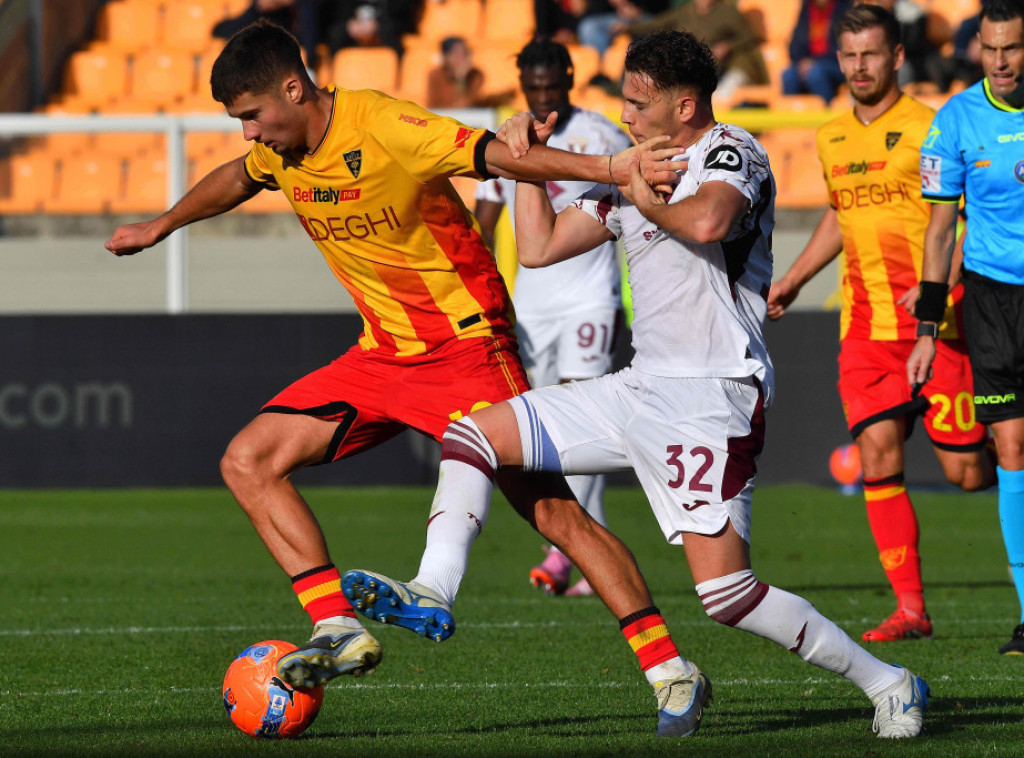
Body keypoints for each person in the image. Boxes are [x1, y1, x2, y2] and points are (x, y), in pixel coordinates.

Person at [345, 29, 930, 738]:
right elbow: (539, 249)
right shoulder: (631, 169)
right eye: (622, 101)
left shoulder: (731, 150)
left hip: (715, 397)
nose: (624, 116)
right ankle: (434, 587)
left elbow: (710, 218)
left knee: (727, 596)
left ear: (684, 106)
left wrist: (640, 191)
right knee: (474, 432)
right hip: (640, 386)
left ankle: (890, 681)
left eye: (637, 103)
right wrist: (525, 168)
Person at [102, 19, 692, 718]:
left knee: (555, 513)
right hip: (380, 356)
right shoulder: (279, 154)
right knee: (248, 460)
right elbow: (236, 178)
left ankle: (671, 670)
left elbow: (497, 158)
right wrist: (160, 225)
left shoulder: (382, 124)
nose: (250, 135)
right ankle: (337, 627)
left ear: (294, 88)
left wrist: (612, 168)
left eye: (253, 116)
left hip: (468, 347)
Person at [768, 5, 994, 643]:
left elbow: (966, 222)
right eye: (848, 55)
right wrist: (795, 277)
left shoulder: (935, 128)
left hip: (939, 329)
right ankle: (911, 610)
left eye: (870, 54)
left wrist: (938, 291)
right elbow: (841, 216)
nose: (858, 67)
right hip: (864, 332)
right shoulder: (831, 136)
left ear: (897, 56)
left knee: (968, 474)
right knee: (875, 454)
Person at [475, 39, 633, 597]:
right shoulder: (511, 140)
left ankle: (561, 553)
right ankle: (594, 550)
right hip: (533, 302)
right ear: (523, 83)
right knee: (551, 431)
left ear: (568, 76)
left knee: (585, 415)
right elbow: (485, 216)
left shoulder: (604, 134)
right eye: (533, 86)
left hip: (591, 297)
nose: (543, 94)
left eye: (551, 84)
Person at [908, 0, 1024, 656]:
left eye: (1013, 48)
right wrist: (928, 326)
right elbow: (940, 226)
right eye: (992, 48)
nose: (1002, 61)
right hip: (989, 302)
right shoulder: (955, 120)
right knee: (1010, 451)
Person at [625, 0, 769, 102]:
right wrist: (626, 28)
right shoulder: (685, 10)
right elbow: (656, 24)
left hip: (720, 68)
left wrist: (727, 46)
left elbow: (748, 36)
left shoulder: (728, 11)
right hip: (687, 66)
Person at [783, 0, 855, 103]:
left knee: (815, 74)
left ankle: (825, 112)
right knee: (788, 75)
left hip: (836, 63)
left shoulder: (845, 8)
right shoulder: (806, 9)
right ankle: (790, 115)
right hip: (809, 63)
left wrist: (814, 62)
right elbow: (794, 45)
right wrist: (802, 62)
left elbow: (844, 47)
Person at [426, 37, 512, 109]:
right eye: (457, 54)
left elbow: (467, 105)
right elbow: (433, 106)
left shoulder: (476, 75)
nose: (462, 58)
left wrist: (461, 79)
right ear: (446, 57)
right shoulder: (435, 75)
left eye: (465, 53)